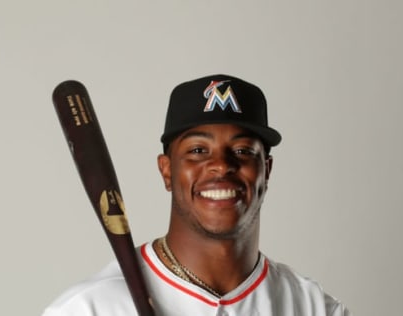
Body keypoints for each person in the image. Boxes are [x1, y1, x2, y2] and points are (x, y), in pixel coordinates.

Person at [42, 74, 352, 316]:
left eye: (242, 150)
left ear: (266, 171)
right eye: (198, 150)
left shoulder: (313, 308)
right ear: (167, 170)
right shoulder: (88, 309)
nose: (221, 165)